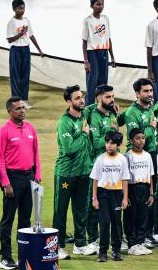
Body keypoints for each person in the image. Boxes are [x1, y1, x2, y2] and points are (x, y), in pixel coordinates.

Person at [0, 97, 41, 270]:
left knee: (25, 219)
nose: (22, 111)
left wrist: (38, 175)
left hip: (29, 178)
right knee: (8, 219)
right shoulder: (3, 130)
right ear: (9, 112)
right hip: (12, 179)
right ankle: (5, 258)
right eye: (18, 108)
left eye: (23, 108)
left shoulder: (30, 128)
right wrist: (6, 184)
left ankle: (24, 256)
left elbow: (36, 154)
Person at [53, 86, 98, 259]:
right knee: (60, 212)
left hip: (83, 173)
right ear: (68, 102)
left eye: (82, 97)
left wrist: (111, 105)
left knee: (81, 211)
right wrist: (84, 135)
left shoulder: (84, 113)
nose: (81, 100)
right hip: (66, 174)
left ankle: (80, 244)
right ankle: (57, 246)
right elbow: (69, 148)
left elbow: (95, 105)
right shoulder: (64, 122)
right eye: (77, 98)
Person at [122, 78, 158, 245]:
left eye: (151, 91)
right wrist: (151, 128)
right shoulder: (132, 113)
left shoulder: (150, 108)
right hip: (135, 158)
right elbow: (135, 137)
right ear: (137, 93)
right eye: (146, 91)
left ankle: (146, 233)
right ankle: (131, 236)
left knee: (149, 197)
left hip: (150, 155)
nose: (149, 94)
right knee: (134, 201)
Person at [86, 84, 119, 247]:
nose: (112, 100)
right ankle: (93, 239)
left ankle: (110, 237)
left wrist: (114, 136)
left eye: (113, 96)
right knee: (94, 204)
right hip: (96, 166)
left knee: (111, 204)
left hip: (112, 165)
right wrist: (111, 137)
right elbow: (94, 142)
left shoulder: (112, 114)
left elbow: (117, 139)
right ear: (99, 98)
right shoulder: (93, 116)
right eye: (108, 97)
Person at [90, 131, 129, 262]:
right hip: (103, 194)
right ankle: (102, 253)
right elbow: (95, 180)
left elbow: (125, 180)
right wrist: (94, 198)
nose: (109, 145)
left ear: (118, 145)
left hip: (117, 194)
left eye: (112, 143)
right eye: (107, 142)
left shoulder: (122, 159)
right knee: (105, 223)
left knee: (117, 223)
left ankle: (116, 251)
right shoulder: (100, 159)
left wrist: (124, 198)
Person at [6, 0, 43, 109]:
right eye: (19, 8)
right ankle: (16, 101)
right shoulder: (11, 22)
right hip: (16, 50)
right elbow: (9, 40)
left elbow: (31, 36)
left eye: (23, 8)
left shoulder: (26, 20)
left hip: (26, 50)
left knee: (25, 76)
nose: (22, 10)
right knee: (15, 76)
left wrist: (39, 50)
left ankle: (24, 100)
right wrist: (21, 33)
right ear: (14, 9)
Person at [125, 128, 155, 256]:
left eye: (143, 138)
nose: (141, 140)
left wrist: (151, 193)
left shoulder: (147, 155)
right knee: (132, 216)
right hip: (132, 188)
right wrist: (125, 195)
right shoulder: (127, 156)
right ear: (131, 140)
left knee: (143, 216)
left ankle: (140, 242)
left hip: (144, 187)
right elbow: (124, 178)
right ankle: (132, 244)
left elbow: (150, 175)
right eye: (138, 138)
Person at [82, 0, 115, 105]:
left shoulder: (106, 18)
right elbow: (84, 42)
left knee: (103, 82)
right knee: (92, 81)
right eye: (98, 4)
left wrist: (113, 56)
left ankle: (102, 105)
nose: (100, 6)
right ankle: (88, 107)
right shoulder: (88, 20)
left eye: (102, 4)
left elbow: (108, 38)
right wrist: (86, 61)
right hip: (92, 53)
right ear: (92, 6)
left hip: (104, 52)